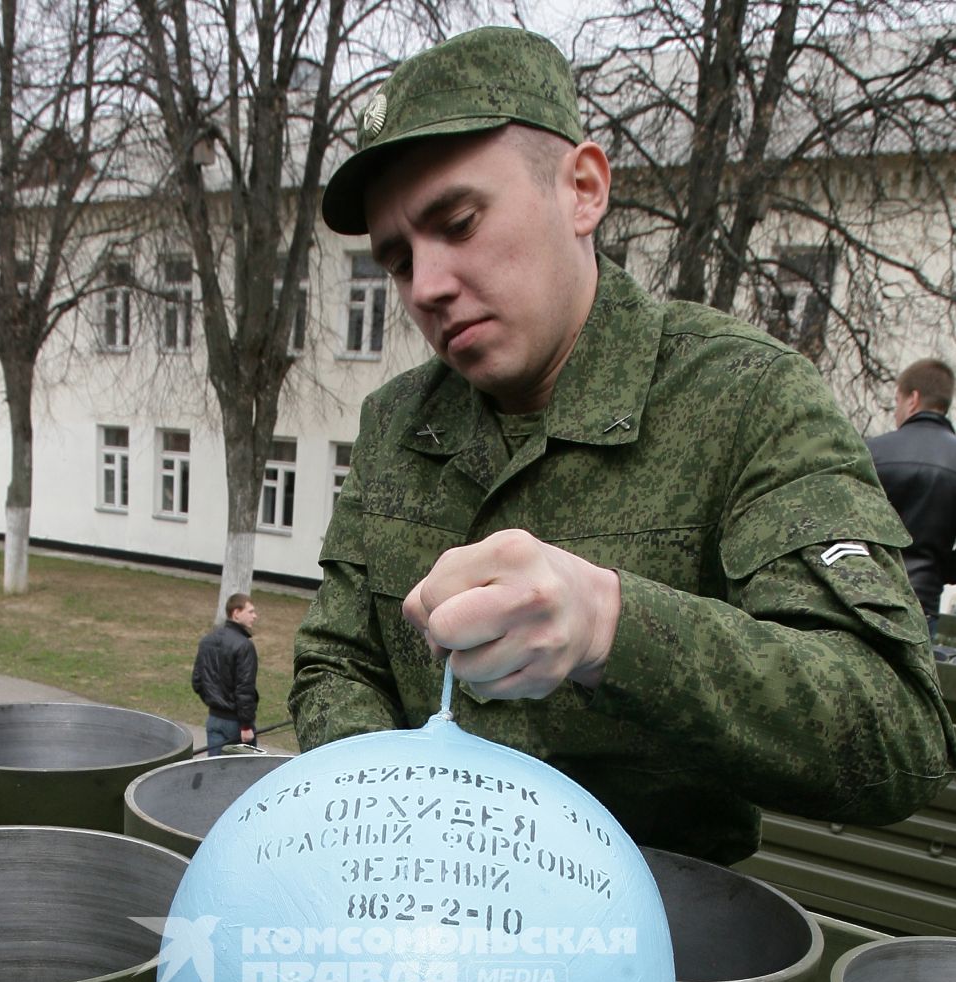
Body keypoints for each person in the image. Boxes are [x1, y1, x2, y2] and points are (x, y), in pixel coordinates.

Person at [290, 27, 953, 864]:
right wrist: (392, 825)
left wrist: (612, 628)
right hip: (419, 929)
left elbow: (895, 732)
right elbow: (334, 661)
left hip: (651, 954)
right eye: (395, 260)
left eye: (457, 223)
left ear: (583, 189)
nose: (425, 287)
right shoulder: (398, 422)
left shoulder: (744, 396)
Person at [867, 358, 956, 645]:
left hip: (864, 600)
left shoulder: (871, 453)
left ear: (913, 399)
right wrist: (939, 567)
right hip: (922, 608)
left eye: (897, 400)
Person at [193, 592, 259, 755]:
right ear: (236, 613)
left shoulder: (207, 641)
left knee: (215, 772)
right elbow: (244, 689)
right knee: (242, 774)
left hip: (214, 720)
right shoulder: (244, 646)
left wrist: (214, 700)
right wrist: (246, 726)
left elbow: (197, 682)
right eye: (250, 611)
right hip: (236, 725)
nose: (255, 616)